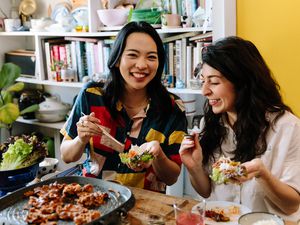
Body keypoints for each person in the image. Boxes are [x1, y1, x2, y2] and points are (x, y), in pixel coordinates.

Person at [179, 36, 300, 220]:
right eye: (203, 80)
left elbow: (291, 205)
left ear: (242, 82)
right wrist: (194, 166)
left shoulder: (288, 127)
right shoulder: (210, 123)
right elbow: (205, 192)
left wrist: (262, 174)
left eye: (214, 82)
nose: (204, 91)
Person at [60, 21, 187, 192]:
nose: (142, 65)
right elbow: (66, 156)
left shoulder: (172, 108)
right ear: (118, 59)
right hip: (93, 195)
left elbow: (171, 178)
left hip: (146, 202)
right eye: (133, 55)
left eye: (151, 57)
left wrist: (159, 155)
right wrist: (81, 139)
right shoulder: (92, 95)